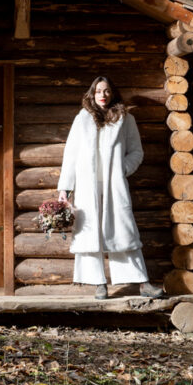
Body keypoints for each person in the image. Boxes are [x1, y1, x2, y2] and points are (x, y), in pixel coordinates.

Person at [57, 75, 165, 300]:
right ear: (92, 93)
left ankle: (142, 283)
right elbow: (71, 155)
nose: (102, 95)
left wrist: (122, 168)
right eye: (98, 91)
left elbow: (137, 152)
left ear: (112, 92)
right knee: (90, 231)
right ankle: (99, 283)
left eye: (106, 91)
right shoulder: (82, 119)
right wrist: (64, 188)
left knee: (124, 229)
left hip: (114, 184)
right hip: (87, 185)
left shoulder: (126, 119)